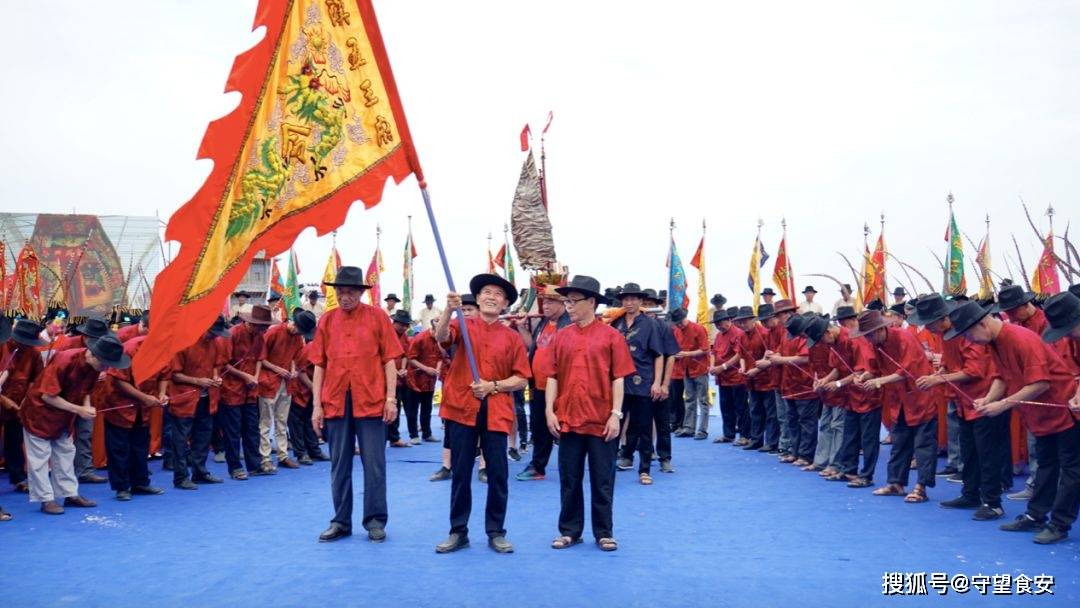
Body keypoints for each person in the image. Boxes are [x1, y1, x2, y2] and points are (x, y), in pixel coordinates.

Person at [948, 300, 1079, 544]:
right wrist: (988, 399)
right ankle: (1036, 516)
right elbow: (1002, 377)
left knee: (1071, 470)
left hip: (1063, 410)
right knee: (1046, 465)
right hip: (1040, 416)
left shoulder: (1020, 338)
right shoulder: (996, 341)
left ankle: (1060, 524)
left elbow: (1041, 383)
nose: (969, 339)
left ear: (984, 324)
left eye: (968, 333)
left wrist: (1004, 404)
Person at [434, 273, 530, 554]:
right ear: (477, 299)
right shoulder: (460, 326)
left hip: (496, 409)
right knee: (461, 473)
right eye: (486, 292)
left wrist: (494, 386)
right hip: (462, 407)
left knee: (498, 473)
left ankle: (496, 531)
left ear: (504, 305)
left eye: (498, 294)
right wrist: (449, 310)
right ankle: (458, 531)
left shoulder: (511, 339)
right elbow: (441, 338)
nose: (491, 297)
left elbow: (522, 378)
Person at [310, 266, 404, 543]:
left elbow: (390, 360)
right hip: (336, 400)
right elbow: (319, 365)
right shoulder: (326, 321)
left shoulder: (378, 318)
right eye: (340, 292)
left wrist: (390, 398)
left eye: (350, 292)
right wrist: (317, 406)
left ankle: (375, 520)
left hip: (371, 399)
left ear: (361, 293)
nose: (345, 297)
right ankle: (340, 521)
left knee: (374, 464)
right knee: (339, 465)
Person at [543, 276, 635, 552]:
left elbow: (619, 377)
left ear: (592, 303)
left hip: (601, 420)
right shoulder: (561, 337)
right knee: (569, 478)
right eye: (566, 301)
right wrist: (549, 410)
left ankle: (604, 532)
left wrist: (616, 414)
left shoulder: (612, 337)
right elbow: (552, 376)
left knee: (603, 479)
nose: (568, 306)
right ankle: (570, 531)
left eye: (574, 301)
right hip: (568, 419)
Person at [909, 295, 1006, 520]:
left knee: (987, 454)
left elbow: (975, 371)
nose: (927, 328)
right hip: (963, 401)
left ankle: (993, 502)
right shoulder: (945, 335)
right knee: (969, 451)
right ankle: (970, 493)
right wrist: (940, 372)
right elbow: (951, 362)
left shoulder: (968, 332)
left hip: (984, 400)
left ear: (943, 318)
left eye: (929, 322)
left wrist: (938, 380)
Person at [21, 334, 131, 514]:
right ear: (93, 355)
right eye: (105, 364)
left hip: (64, 415)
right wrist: (78, 410)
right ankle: (46, 499)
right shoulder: (65, 360)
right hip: (39, 413)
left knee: (66, 453)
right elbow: (47, 396)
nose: (106, 368)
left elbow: (87, 390)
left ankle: (69, 493)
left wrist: (86, 407)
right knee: (39, 458)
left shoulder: (95, 366)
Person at [853, 310, 938, 503]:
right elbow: (874, 369)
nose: (868, 338)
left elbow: (907, 370)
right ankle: (895, 482)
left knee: (923, 443)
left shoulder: (904, 337)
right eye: (866, 335)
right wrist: (865, 376)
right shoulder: (877, 344)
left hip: (919, 396)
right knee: (899, 441)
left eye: (870, 334)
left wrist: (880, 381)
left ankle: (921, 487)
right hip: (898, 399)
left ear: (882, 329)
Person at [102, 328, 168, 501]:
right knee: (119, 448)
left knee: (140, 446)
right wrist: (144, 397)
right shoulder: (130, 348)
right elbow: (118, 380)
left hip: (144, 407)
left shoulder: (163, 350)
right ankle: (122, 487)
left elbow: (165, 375)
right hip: (120, 405)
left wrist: (162, 393)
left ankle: (141, 482)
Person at [611, 283, 666, 484]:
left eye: (633, 299)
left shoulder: (650, 324)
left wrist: (658, 382)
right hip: (618, 383)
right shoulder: (615, 323)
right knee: (614, 423)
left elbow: (659, 355)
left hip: (643, 382)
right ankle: (609, 466)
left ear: (641, 301)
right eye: (626, 299)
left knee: (643, 427)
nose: (629, 302)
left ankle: (644, 469)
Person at [515, 286, 571, 481]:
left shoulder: (570, 325)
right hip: (539, 386)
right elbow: (533, 346)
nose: (544, 305)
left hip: (562, 386)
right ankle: (538, 466)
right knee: (539, 427)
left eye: (549, 302)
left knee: (566, 427)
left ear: (562, 303)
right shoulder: (544, 323)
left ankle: (572, 467)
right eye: (543, 302)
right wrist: (522, 327)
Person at [168, 318, 230, 490]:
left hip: (206, 398)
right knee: (180, 440)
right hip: (184, 398)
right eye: (212, 333)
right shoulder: (183, 343)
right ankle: (181, 477)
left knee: (203, 436)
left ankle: (200, 472)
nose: (214, 337)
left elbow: (216, 365)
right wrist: (197, 381)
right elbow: (174, 374)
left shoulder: (214, 342)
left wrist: (216, 377)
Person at [53, 316, 110, 485]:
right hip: (60, 398)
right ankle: (61, 473)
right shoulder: (67, 345)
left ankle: (84, 470)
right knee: (60, 437)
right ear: (86, 337)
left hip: (86, 395)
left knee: (85, 432)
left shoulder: (102, 349)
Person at [256, 309, 315, 471]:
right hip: (268, 382)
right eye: (299, 329)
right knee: (266, 421)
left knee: (282, 421)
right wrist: (278, 369)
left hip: (285, 382)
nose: (299, 333)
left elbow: (295, 358)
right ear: (294, 323)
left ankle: (283, 455)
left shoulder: (297, 338)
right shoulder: (273, 332)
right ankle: (265, 457)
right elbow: (260, 358)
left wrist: (293, 369)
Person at [431, 294, 480, 482]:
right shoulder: (456, 328)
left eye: (470, 310)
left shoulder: (486, 331)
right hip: (456, 387)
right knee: (450, 430)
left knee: (484, 430)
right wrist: (448, 313)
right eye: (463, 310)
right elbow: (443, 342)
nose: (466, 313)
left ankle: (483, 467)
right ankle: (446, 466)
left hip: (480, 388)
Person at [220, 305, 272, 478]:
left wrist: (255, 376)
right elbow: (223, 364)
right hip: (231, 389)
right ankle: (235, 467)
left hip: (250, 390)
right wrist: (245, 376)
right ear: (251, 323)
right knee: (233, 431)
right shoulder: (233, 334)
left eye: (266, 327)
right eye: (262, 327)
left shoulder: (260, 336)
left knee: (251, 429)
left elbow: (260, 358)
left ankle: (254, 465)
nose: (264, 330)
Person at [1, 319, 47, 499]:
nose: (28, 346)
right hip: (3, 399)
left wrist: (27, 399)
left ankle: (18, 478)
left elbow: (37, 381)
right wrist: (3, 400)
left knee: (15, 440)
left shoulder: (34, 354)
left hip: (18, 405)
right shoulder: (2, 346)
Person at [771, 315, 819, 468]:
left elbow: (805, 358)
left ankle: (806, 455)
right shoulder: (787, 334)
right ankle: (795, 451)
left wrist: (781, 360)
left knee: (806, 422)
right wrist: (774, 356)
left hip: (805, 385)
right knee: (792, 420)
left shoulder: (809, 337)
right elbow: (779, 351)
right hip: (789, 383)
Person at [738, 305, 779, 453]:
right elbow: (741, 355)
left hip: (766, 378)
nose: (743, 324)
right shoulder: (742, 336)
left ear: (753, 320)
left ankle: (772, 442)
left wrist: (756, 369)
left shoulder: (764, 333)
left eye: (745, 321)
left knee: (770, 412)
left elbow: (769, 355)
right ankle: (756, 439)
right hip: (751, 379)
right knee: (755, 410)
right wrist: (743, 367)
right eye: (741, 322)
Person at [286, 326, 328, 465]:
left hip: (312, 392)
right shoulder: (310, 348)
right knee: (297, 424)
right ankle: (301, 453)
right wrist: (315, 389)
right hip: (300, 390)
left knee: (311, 421)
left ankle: (314, 450)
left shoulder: (325, 348)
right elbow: (301, 371)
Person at [710, 308, 750, 445]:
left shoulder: (738, 333)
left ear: (729, 320)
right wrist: (712, 366)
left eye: (720, 323)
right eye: (716, 324)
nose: (719, 326)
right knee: (725, 407)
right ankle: (728, 434)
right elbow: (713, 352)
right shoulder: (718, 336)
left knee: (741, 407)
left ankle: (745, 435)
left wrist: (723, 367)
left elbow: (739, 355)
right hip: (722, 377)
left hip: (736, 376)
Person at [671, 308, 710, 439]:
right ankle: (688, 427)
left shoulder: (698, 329)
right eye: (677, 323)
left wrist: (687, 354)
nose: (679, 325)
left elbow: (705, 349)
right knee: (689, 399)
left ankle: (702, 430)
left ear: (685, 317)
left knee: (703, 400)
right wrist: (675, 355)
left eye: (680, 322)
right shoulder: (676, 331)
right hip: (685, 369)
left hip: (700, 369)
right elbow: (675, 348)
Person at [406, 320, 442, 444]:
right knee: (413, 409)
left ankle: (427, 434)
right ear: (433, 329)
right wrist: (426, 369)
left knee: (427, 409)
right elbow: (411, 358)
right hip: (415, 379)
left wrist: (437, 369)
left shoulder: (441, 340)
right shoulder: (419, 339)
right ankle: (413, 435)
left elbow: (441, 358)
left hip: (430, 380)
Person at [386, 310, 414, 448]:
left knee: (395, 407)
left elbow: (405, 355)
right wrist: (394, 371)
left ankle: (394, 437)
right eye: (401, 324)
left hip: (399, 379)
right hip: (385, 378)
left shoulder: (405, 337)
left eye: (406, 325)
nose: (404, 327)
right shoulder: (386, 334)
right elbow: (384, 358)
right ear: (394, 322)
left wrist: (403, 369)